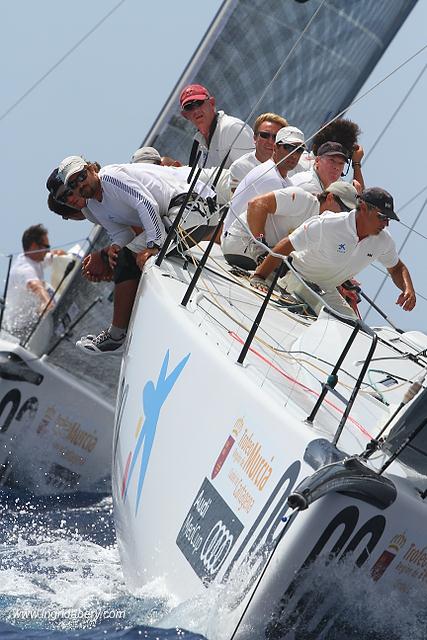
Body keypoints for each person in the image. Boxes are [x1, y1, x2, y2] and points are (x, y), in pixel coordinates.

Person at [251, 187, 416, 318]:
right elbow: (287, 245)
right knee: (331, 321)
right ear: (364, 208)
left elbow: (397, 268)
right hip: (296, 277)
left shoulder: (383, 240)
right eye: (382, 217)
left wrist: (408, 289)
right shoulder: (330, 223)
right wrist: (259, 277)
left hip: (326, 291)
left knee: (353, 328)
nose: (386, 224)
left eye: (389, 219)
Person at [222, 182, 358, 271]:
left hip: (263, 260)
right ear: (330, 198)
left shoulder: (325, 227)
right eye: (344, 209)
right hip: (240, 244)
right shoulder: (302, 199)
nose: (344, 215)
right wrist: (260, 245)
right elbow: (256, 204)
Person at [223, 125, 306, 234]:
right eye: (289, 147)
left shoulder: (284, 179)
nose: (294, 155)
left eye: (299, 150)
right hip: (238, 240)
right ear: (275, 148)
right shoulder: (270, 177)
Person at [3, 225, 63, 341]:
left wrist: (61, 255)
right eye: (47, 246)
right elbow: (36, 286)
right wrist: (47, 302)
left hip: (30, 324)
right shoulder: (24, 269)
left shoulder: (35, 259)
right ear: (35, 246)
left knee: (48, 289)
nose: (48, 250)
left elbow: (55, 254)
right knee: (46, 289)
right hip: (16, 330)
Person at [180, 83, 254, 169]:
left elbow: (253, 172)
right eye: (189, 107)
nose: (196, 110)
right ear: (185, 115)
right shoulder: (198, 147)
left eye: (199, 103)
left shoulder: (231, 128)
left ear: (212, 103)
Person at [229, 113, 288, 191]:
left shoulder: (292, 163)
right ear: (255, 138)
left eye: (276, 137)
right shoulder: (240, 168)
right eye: (264, 135)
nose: (270, 141)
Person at [291, 141, 358, 195]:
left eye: (341, 163)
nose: (337, 167)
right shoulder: (308, 185)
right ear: (317, 161)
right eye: (332, 160)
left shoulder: (330, 188)